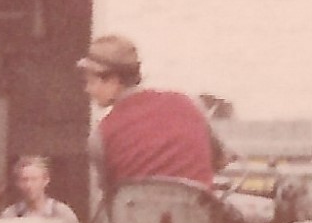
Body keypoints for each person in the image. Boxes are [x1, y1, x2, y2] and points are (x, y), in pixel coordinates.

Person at [78, 34, 228, 207]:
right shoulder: (188, 104)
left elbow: (109, 193)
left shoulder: (101, 135)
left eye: (91, 81)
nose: (87, 89)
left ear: (113, 80)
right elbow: (220, 160)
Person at [2, 154, 81, 223]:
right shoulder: (11, 215)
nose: (29, 185)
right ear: (17, 183)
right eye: (24, 180)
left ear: (46, 180)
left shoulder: (61, 212)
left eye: (34, 179)